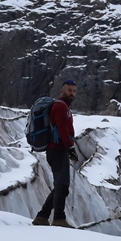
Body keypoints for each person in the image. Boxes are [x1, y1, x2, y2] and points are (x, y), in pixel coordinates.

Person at [32, 79, 79, 227]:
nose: (72, 93)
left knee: (60, 185)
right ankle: (58, 218)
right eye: (69, 90)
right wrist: (71, 148)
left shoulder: (62, 106)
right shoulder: (61, 106)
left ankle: (43, 216)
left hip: (56, 150)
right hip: (58, 149)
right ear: (61, 91)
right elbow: (63, 130)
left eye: (74, 91)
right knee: (62, 185)